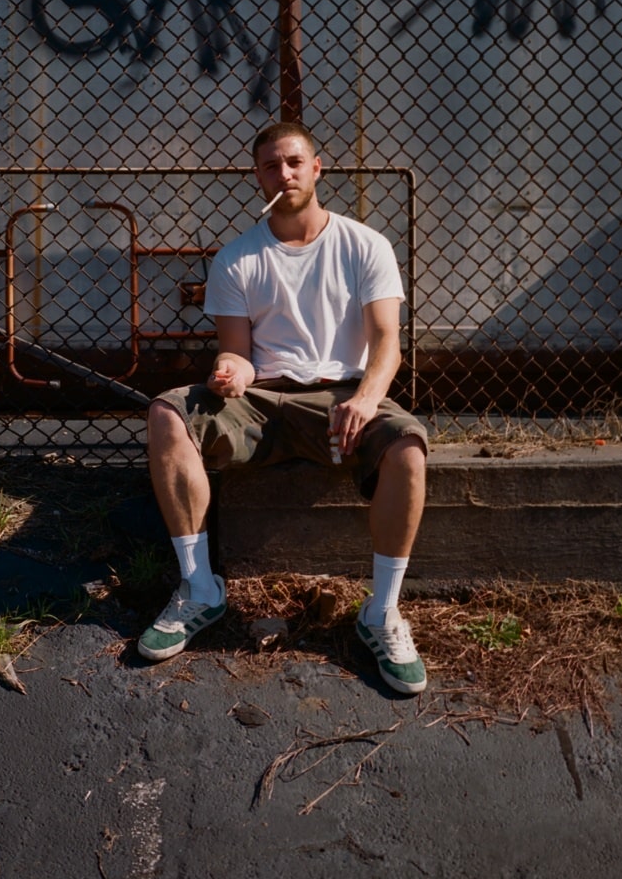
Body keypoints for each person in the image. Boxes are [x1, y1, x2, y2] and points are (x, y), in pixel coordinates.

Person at [136, 122, 428, 695]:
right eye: (271, 166)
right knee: (167, 413)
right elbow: (237, 350)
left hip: (344, 392)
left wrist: (366, 400)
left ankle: (382, 614)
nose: (284, 174)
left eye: (295, 162)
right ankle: (200, 590)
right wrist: (233, 370)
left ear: (318, 169)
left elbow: (387, 342)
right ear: (258, 177)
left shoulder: (364, 245)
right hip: (263, 400)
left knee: (410, 449)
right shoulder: (238, 259)